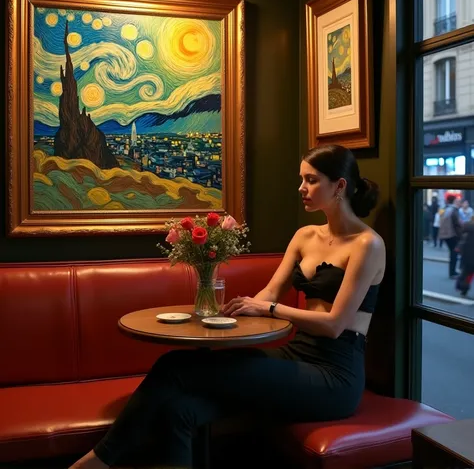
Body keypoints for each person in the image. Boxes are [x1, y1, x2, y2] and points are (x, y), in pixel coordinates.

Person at [69, 144, 386, 469]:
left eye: (312, 180)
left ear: (340, 186)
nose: (301, 188)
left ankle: (99, 460)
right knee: (179, 409)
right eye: (301, 179)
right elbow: (271, 291)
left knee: (174, 366)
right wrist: (233, 309)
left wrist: (270, 310)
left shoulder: (367, 245)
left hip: (334, 376)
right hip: (296, 355)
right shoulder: (305, 236)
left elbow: (334, 324)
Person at [438, 195, 462, 278]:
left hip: (444, 234)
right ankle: (453, 272)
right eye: (457, 201)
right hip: (452, 234)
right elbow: (457, 224)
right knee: (454, 253)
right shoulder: (454, 210)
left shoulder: (444, 209)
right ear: (454, 201)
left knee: (453, 252)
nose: (459, 203)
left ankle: (453, 271)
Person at [455, 218, 474, 297]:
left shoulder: (467, 228)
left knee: (466, 272)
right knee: (469, 273)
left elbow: (462, 240)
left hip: (467, 255)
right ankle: (463, 287)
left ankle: (462, 287)